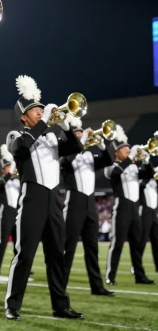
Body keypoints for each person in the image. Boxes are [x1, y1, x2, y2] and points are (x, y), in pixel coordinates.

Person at [4, 75, 84, 321]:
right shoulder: (15, 135)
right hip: (33, 198)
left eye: (40, 109)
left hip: (54, 198)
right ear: (23, 116)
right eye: (34, 110)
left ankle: (61, 306)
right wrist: (46, 122)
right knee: (25, 253)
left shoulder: (51, 136)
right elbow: (22, 148)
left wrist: (67, 126)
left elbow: (76, 148)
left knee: (56, 255)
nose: (40, 112)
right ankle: (12, 304)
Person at [60, 115, 114, 296]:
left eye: (81, 134)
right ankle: (60, 286)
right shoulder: (65, 155)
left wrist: (101, 144)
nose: (81, 136)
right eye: (77, 134)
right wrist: (81, 141)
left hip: (90, 203)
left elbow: (109, 161)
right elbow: (67, 162)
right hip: (74, 201)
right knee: (69, 247)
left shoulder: (90, 155)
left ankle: (96, 286)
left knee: (92, 247)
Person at [104, 125, 156, 285]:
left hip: (134, 208)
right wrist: (130, 158)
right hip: (122, 207)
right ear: (116, 153)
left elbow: (149, 174)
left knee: (137, 243)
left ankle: (140, 276)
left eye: (128, 148)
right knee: (117, 242)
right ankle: (110, 276)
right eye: (124, 148)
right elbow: (116, 173)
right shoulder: (111, 167)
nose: (127, 150)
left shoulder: (133, 165)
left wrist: (146, 160)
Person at [0, 144, 19, 275]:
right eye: (8, 167)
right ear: (4, 169)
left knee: (18, 243)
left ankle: (19, 266)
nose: (11, 169)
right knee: (3, 241)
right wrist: (10, 173)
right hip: (7, 213)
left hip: (17, 212)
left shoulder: (18, 181)